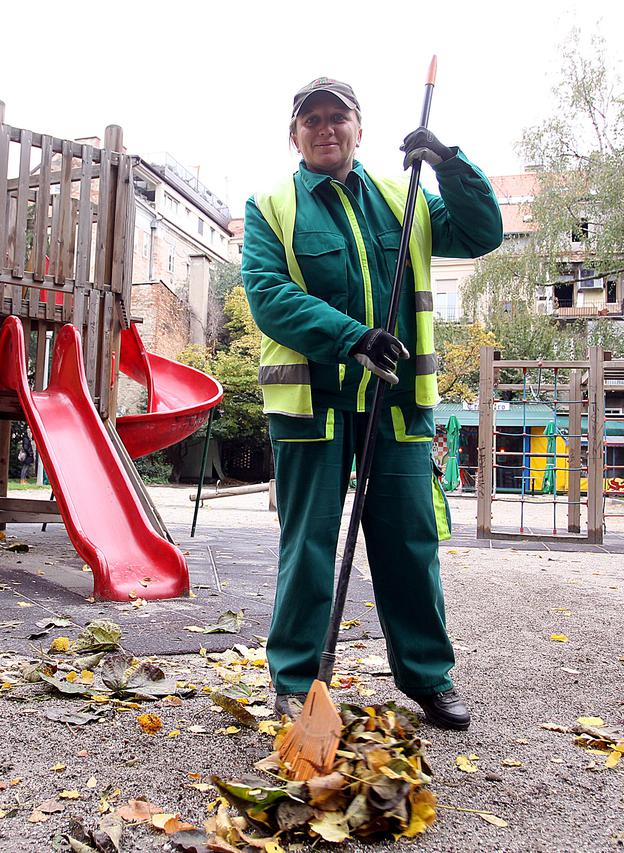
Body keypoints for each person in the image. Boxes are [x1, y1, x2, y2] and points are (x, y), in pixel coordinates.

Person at [242, 77, 503, 730]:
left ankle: (428, 678)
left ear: (360, 128)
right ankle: (296, 685)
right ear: (294, 134)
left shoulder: (401, 197)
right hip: (314, 405)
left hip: (396, 406)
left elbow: (481, 232)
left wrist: (449, 162)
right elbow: (269, 295)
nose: (325, 128)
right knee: (307, 548)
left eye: (338, 117)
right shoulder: (270, 206)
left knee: (410, 544)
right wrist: (352, 338)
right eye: (312, 120)